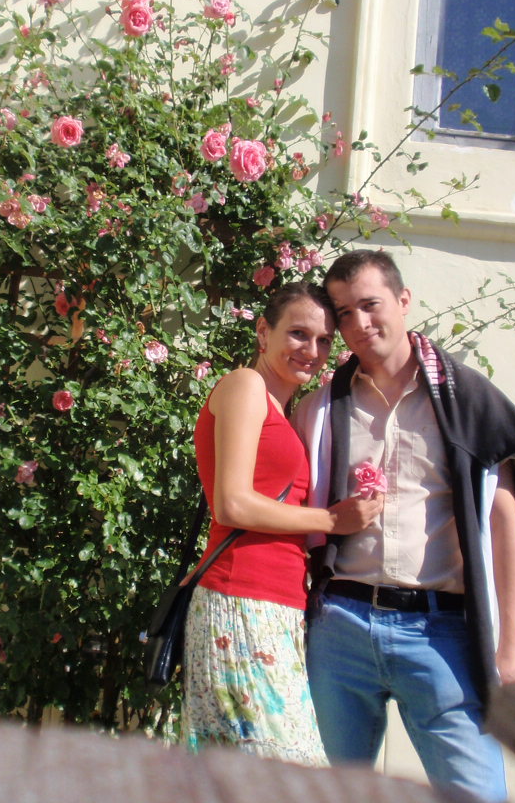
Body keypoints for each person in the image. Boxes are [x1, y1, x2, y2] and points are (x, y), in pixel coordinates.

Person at [293, 250, 515, 802]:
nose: (359, 323)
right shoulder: (322, 408)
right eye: (344, 313)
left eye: (370, 305)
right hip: (341, 626)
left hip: (439, 632)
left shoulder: (464, 399)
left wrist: (513, 649)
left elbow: (504, 523)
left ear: (403, 301)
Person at [183, 281, 383, 765]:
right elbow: (232, 504)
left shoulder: (283, 408)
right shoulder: (245, 386)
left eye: (323, 340)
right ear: (262, 332)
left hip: (274, 605)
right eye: (298, 334)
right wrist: (331, 520)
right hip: (243, 599)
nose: (311, 350)